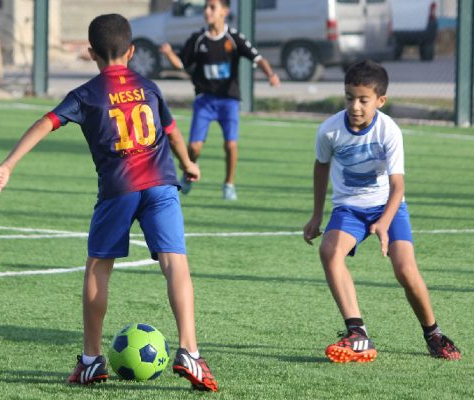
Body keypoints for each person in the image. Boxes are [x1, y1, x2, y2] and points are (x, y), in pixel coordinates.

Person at [0, 14, 218, 391]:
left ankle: (92, 360)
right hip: (162, 185)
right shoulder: (148, 86)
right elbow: (173, 133)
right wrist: (189, 164)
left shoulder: (87, 93)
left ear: (91, 53)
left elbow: (46, 123)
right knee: (175, 262)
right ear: (131, 51)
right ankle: (190, 351)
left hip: (119, 188)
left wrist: (8, 165)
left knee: (99, 267)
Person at [303, 59, 461, 363]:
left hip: (388, 206)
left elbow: (398, 187)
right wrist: (316, 215)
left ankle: (433, 333)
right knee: (329, 252)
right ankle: (357, 333)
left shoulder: (389, 130)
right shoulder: (329, 131)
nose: (355, 106)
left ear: (380, 100)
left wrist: (384, 223)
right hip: (349, 207)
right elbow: (321, 167)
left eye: (364, 100)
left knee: (405, 270)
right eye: (350, 97)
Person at [160, 0, 280, 200]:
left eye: (212, 7)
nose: (207, 11)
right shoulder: (198, 39)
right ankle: (189, 173)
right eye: (206, 7)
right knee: (195, 147)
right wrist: (169, 53)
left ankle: (229, 184)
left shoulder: (233, 39)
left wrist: (270, 74)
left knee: (230, 145)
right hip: (204, 101)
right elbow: (181, 63)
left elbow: (258, 58)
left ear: (225, 11)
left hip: (228, 101)